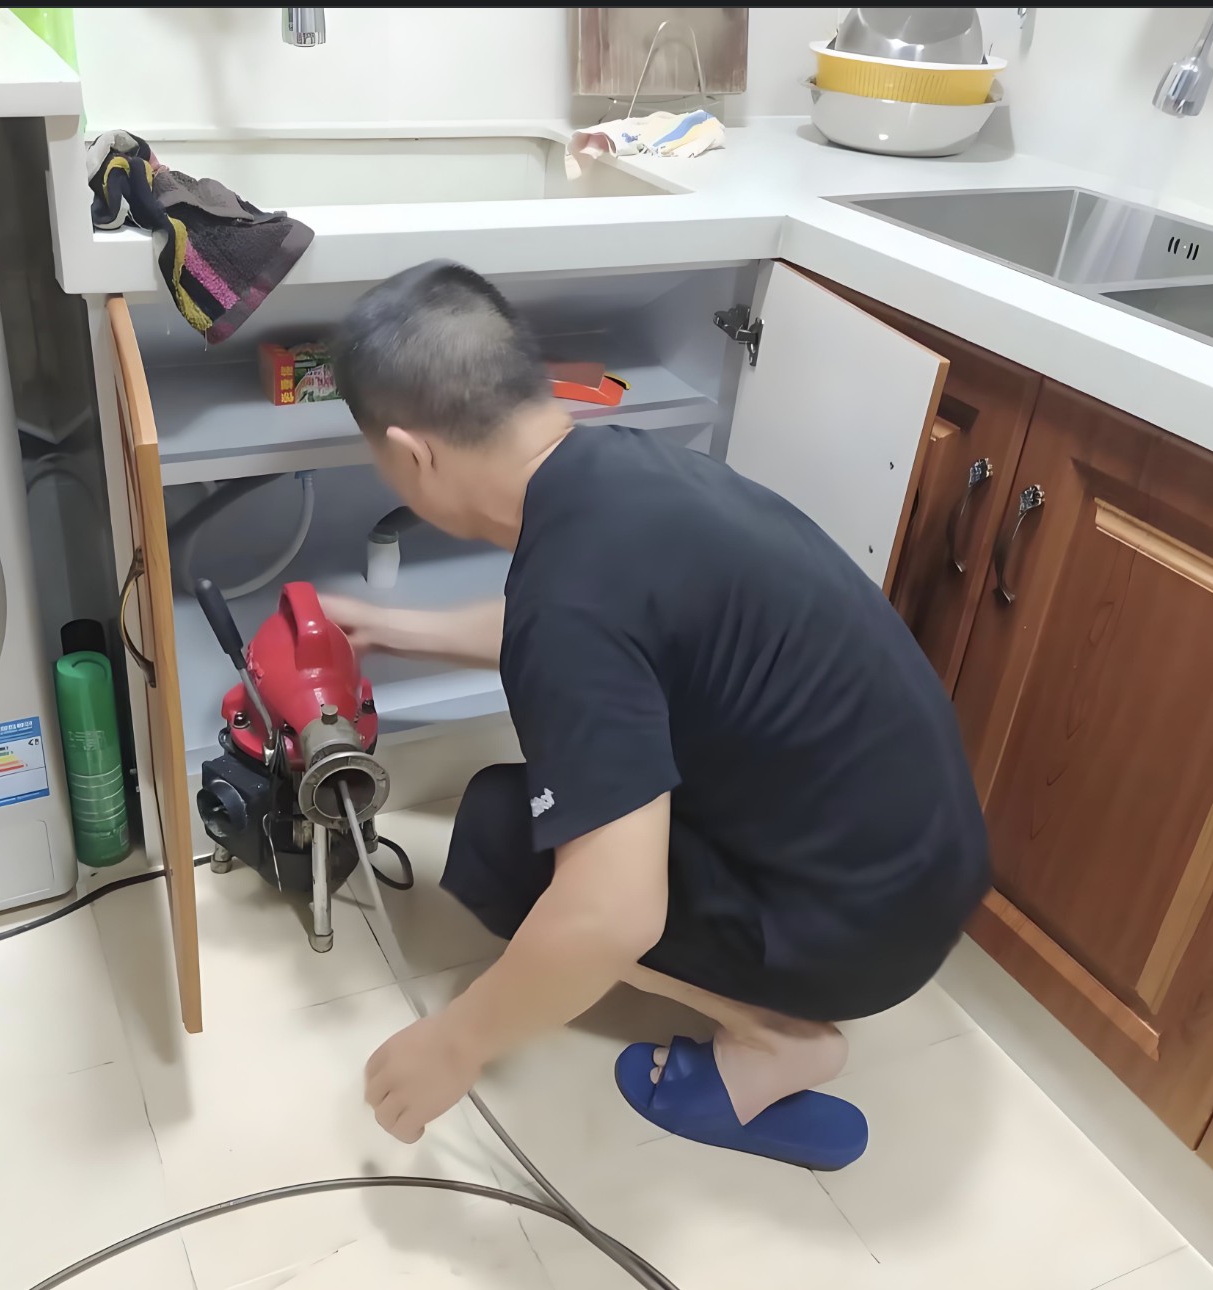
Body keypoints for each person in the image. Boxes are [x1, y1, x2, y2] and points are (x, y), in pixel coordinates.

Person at [323, 261, 990, 1168]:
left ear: (412, 453)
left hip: (862, 934)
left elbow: (611, 915)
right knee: (555, 820)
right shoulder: (619, 472)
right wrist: (395, 630)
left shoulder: (569, 599)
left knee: (499, 841)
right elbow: (603, 632)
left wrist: (454, 1044)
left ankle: (775, 1041)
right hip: (922, 867)